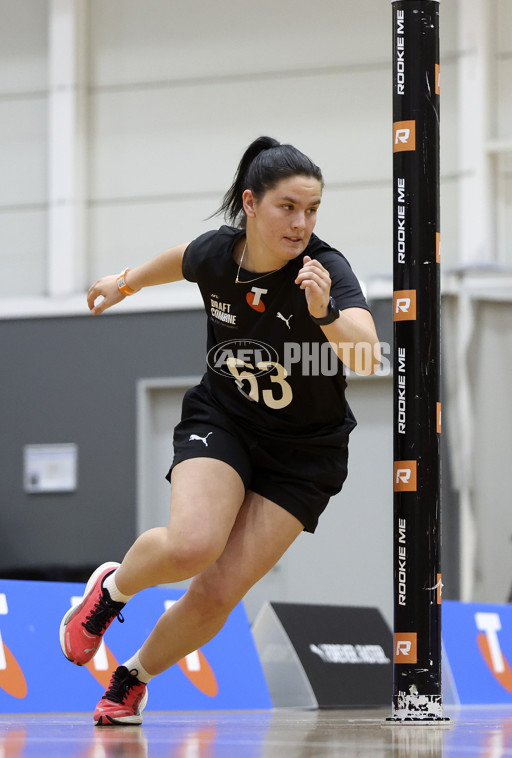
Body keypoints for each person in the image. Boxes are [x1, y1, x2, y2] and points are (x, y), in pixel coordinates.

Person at [59, 136, 381, 726]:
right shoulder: (218, 255)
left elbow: (365, 356)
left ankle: (132, 679)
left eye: (312, 210)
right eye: (288, 207)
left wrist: (326, 315)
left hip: (305, 455)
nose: (301, 222)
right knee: (192, 545)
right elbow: (179, 259)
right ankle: (111, 592)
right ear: (251, 204)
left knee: (217, 590)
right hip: (225, 419)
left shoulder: (325, 270)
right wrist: (121, 283)